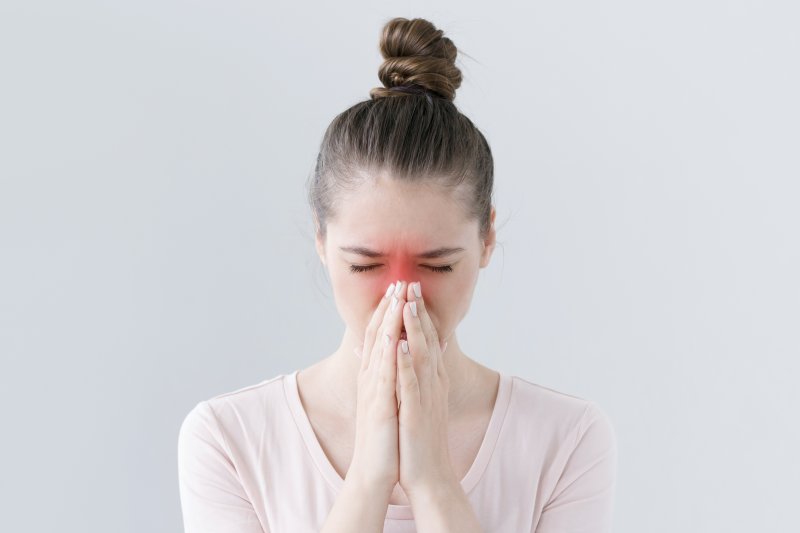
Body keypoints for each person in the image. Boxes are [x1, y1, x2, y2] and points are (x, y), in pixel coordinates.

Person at [178, 16, 617, 533]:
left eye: (438, 265)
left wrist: (433, 482)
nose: (401, 292)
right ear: (321, 239)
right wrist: (368, 479)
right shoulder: (230, 438)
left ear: (486, 240)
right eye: (365, 264)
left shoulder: (565, 439)